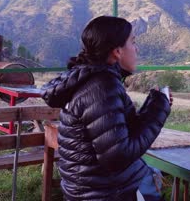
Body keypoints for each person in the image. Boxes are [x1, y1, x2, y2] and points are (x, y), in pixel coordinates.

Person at [41, 16, 171, 200]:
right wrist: (159, 111)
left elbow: (119, 135)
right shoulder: (101, 87)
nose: (137, 49)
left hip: (94, 189)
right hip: (105, 193)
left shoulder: (94, 80)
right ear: (117, 51)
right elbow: (118, 157)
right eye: (133, 42)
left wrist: (154, 105)